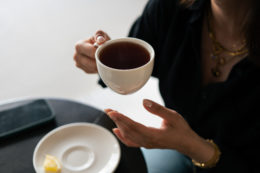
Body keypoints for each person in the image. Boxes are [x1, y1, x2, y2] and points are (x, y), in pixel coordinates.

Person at [73, 0, 260, 172]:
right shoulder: (170, 7)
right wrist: (101, 59)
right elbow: (133, 63)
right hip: (177, 152)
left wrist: (192, 146)